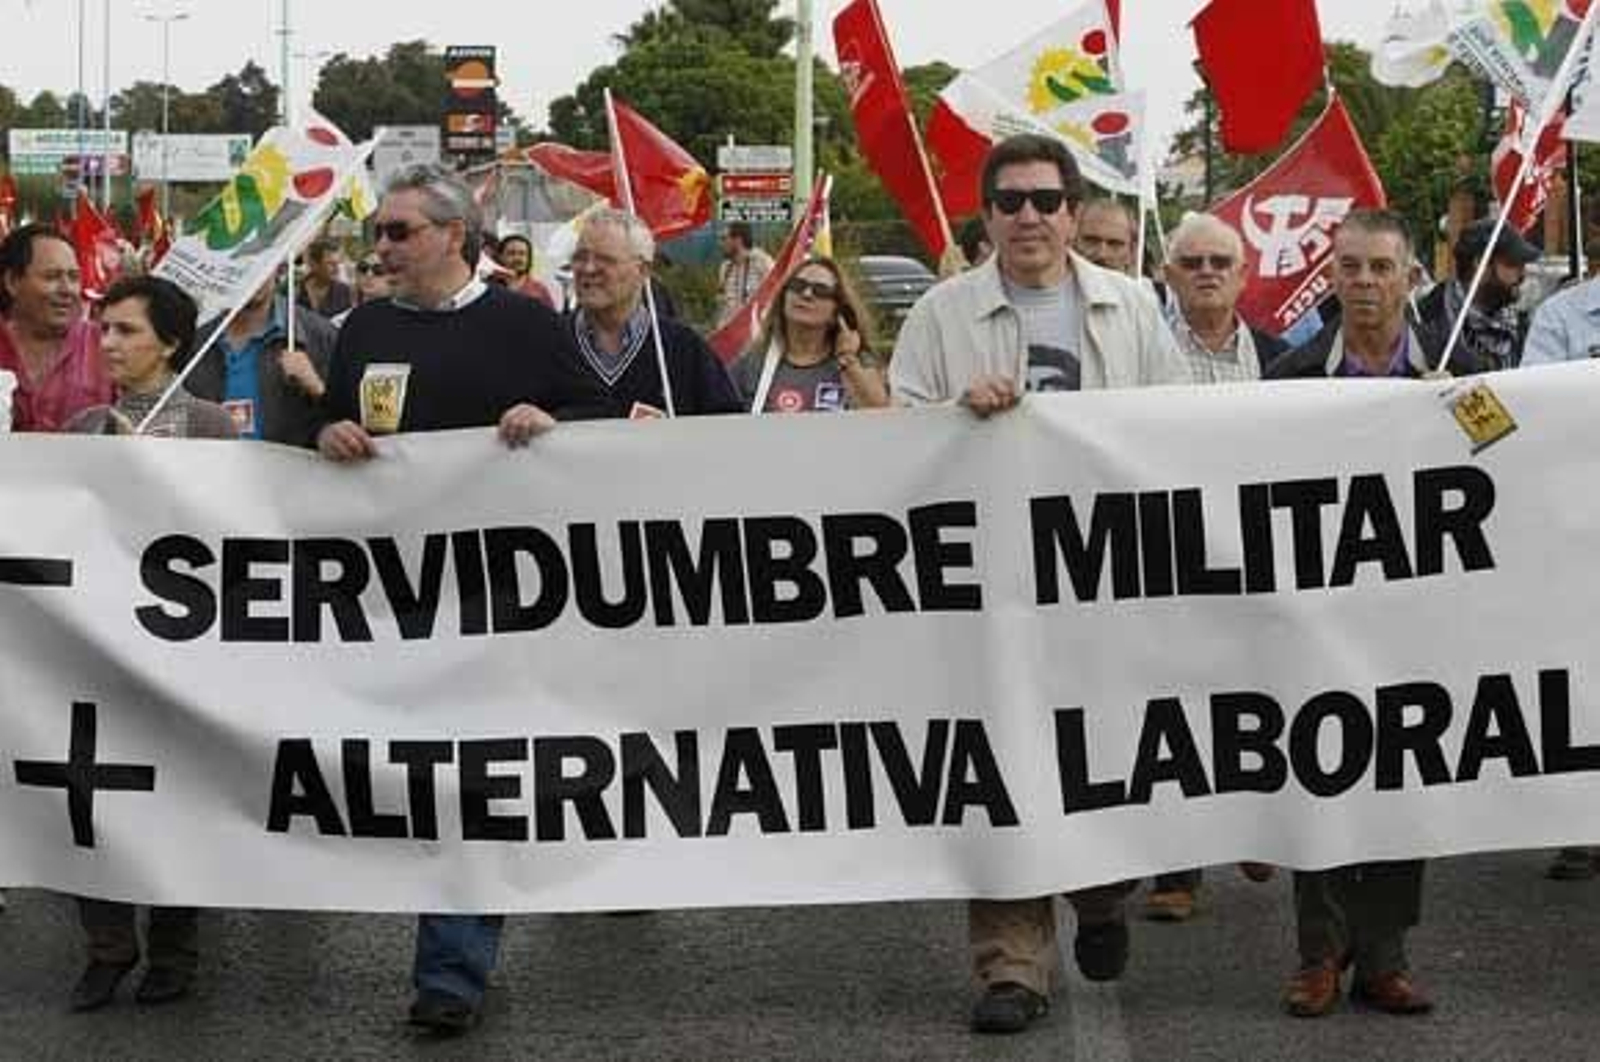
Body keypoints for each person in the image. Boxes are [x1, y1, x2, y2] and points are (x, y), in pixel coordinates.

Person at [891, 133, 1188, 1035]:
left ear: (1071, 212)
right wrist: (955, 419)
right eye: (1011, 201)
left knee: (1099, 755)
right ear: (988, 216)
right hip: (988, 582)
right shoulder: (942, 315)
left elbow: (1172, 428)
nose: (1029, 216)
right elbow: (896, 438)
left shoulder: (1131, 306)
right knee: (1001, 763)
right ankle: (1011, 965)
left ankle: (1099, 897)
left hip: (1102, 578)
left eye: (1046, 201)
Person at [314, 164, 606, 1036]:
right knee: (402, 776)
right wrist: (330, 432)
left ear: (452, 234)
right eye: (379, 234)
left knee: (468, 782)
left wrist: (548, 424)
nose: (383, 248)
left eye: (399, 232)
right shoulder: (363, 328)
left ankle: (452, 968)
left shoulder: (523, 322)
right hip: (390, 596)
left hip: (501, 598)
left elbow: (596, 417)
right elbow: (326, 429)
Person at [1265, 210, 1486, 1019]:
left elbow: (1503, 444)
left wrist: (1457, 413)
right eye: (1350, 268)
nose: (1363, 283)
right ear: (1331, 275)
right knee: (1321, 777)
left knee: (1399, 780)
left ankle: (1384, 956)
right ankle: (1320, 955)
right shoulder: (1289, 374)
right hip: (1320, 613)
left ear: (1407, 278)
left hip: (1414, 618)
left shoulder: (1455, 365)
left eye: (1379, 269)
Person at [62, 275, 235, 1011]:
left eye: (128, 331)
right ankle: (107, 945)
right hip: (95, 643)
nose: (110, 344)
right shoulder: (83, 427)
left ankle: (173, 949)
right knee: (85, 797)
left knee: (175, 799)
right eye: (105, 331)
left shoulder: (210, 426)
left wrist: (155, 475)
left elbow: (232, 534)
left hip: (181, 652)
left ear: (169, 341)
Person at [560, 209, 741, 418]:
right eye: (580, 258)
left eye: (605, 259)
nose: (589, 268)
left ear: (643, 270)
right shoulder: (545, 343)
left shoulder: (685, 349)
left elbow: (727, 431)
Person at [190, 276, 338, 446]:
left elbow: (352, 420)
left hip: (291, 469)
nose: (256, 275)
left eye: (264, 264)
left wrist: (317, 388)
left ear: (277, 266)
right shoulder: (197, 344)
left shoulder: (320, 334)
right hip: (212, 468)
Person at [733, 256, 888, 413]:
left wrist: (848, 360)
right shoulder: (752, 364)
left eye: (820, 290)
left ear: (838, 312)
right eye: (798, 285)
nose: (806, 294)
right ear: (783, 297)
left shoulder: (858, 362)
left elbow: (881, 415)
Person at [0, 224, 111, 432]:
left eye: (74, 277)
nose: (67, 290)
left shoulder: (107, 345)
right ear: (12, 281)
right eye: (51, 277)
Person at [1162, 213, 1287, 386]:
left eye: (1221, 262)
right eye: (1192, 263)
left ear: (1242, 275)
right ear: (1169, 276)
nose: (1207, 271)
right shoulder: (1143, 350)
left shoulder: (1281, 356)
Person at [1415, 218, 1538, 370]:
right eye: (1512, 264)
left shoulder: (1522, 324)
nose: (1522, 276)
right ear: (1480, 263)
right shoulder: (1426, 320)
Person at [716, 221, 774, 326]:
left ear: (738, 240)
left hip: (756, 331)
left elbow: (776, 293)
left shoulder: (762, 261)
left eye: (724, 238)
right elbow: (724, 307)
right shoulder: (725, 267)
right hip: (732, 333)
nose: (720, 244)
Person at [1074, 198, 1138, 275]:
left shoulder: (1144, 287)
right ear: (1074, 241)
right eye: (1091, 241)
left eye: (1114, 244)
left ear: (1132, 252)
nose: (1102, 254)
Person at [494, 233, 557, 309]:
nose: (517, 258)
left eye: (522, 254)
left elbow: (550, 318)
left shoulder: (539, 290)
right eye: (511, 253)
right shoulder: (489, 286)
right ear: (501, 257)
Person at [297, 238, 354, 318]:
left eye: (338, 263)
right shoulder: (294, 288)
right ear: (315, 264)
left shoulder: (343, 291)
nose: (336, 269)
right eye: (330, 263)